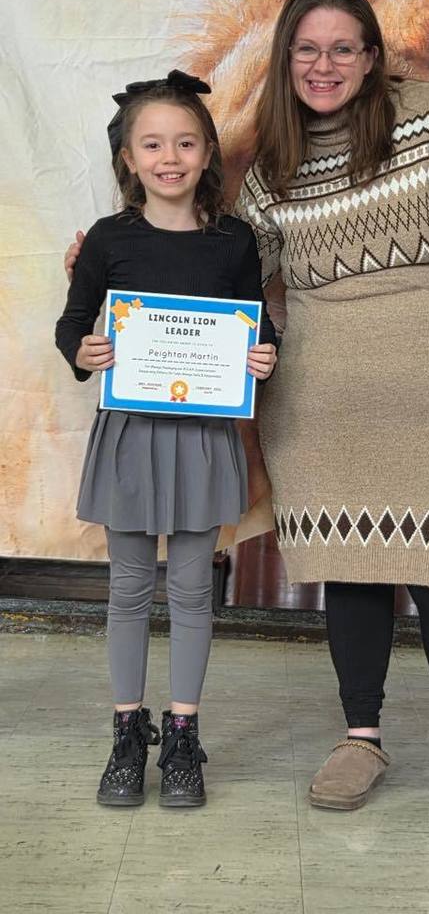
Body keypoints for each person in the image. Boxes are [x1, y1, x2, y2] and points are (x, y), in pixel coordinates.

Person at [65, 0, 429, 830]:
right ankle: (361, 738)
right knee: (348, 565)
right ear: (287, 60)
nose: (324, 65)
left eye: (341, 48)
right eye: (306, 50)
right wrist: (112, 266)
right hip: (322, 398)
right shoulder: (274, 162)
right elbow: (226, 266)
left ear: (370, 56)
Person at [56, 70, 277, 808]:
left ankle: (182, 735)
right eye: (152, 144)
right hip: (128, 433)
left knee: (189, 589)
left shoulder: (234, 241)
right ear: (128, 158)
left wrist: (264, 355)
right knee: (127, 588)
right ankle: (127, 733)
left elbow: (258, 324)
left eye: (185, 143)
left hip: (202, 436)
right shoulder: (107, 240)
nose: (169, 157)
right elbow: (73, 321)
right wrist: (83, 349)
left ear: (208, 152)